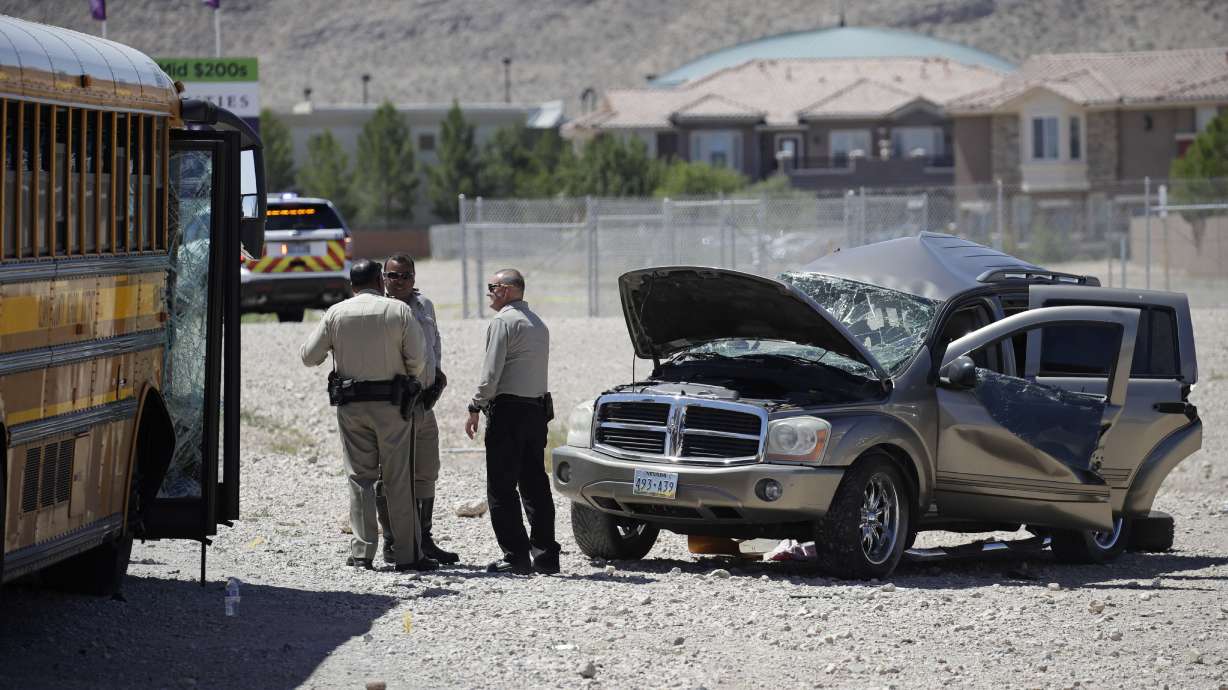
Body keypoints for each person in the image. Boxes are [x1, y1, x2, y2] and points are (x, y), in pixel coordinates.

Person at [300, 259, 438, 572]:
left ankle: (362, 552)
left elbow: (309, 357)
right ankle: (407, 554)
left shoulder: (336, 313)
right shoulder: (399, 311)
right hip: (392, 405)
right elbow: (418, 361)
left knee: (359, 478)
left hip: (351, 406)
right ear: (379, 280)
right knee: (398, 479)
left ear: (352, 285)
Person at [465, 268, 560, 575]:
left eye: (492, 287)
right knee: (535, 484)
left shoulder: (503, 322)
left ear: (506, 289)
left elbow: (491, 375)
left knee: (501, 488)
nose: (489, 292)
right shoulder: (539, 324)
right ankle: (546, 556)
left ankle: (516, 556)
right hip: (536, 412)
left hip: (507, 412)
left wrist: (475, 405)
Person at [380, 253, 459, 565]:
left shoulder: (424, 305)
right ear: (383, 277)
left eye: (405, 276)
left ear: (414, 278)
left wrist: (437, 379)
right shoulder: (380, 309)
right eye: (393, 275)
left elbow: (434, 343)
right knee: (390, 475)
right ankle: (393, 542)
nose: (399, 281)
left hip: (424, 405)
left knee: (426, 471)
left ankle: (423, 539)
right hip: (393, 406)